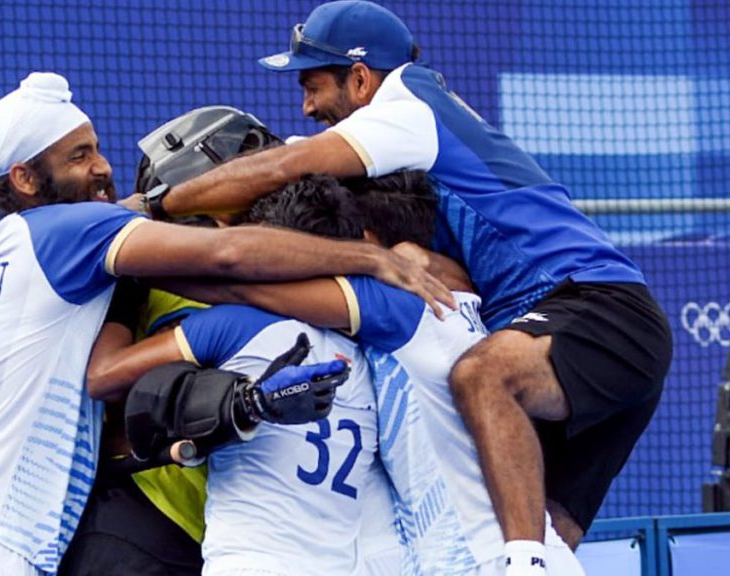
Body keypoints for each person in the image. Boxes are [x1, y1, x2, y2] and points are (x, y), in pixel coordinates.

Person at [142, 2, 673, 573]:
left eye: (313, 84)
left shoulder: (407, 109)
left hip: (596, 306)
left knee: (483, 378)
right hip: (578, 334)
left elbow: (280, 170)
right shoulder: (433, 265)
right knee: (536, 523)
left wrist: (147, 212)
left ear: (361, 77)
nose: (307, 105)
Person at [0, 71, 446, 576]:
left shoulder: (38, 244)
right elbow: (227, 257)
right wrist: (369, 260)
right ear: (26, 179)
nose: (102, 167)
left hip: (4, 541)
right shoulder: (65, 231)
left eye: (96, 148)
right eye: (79, 156)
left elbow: (187, 249)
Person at [180, 172, 583, 575]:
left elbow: (240, 284)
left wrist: (132, 245)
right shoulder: (450, 294)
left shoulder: (395, 306)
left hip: (490, 561)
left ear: (370, 244)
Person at [83, 179, 401, 576]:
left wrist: (127, 288)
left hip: (249, 563)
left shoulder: (234, 324)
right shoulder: (374, 356)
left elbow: (103, 377)